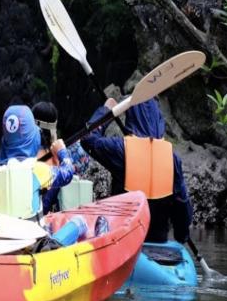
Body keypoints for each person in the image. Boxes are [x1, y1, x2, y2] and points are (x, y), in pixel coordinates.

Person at [80, 96, 192, 244]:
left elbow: (88, 138)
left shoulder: (121, 149)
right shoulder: (173, 159)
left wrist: (107, 111)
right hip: (158, 242)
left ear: (131, 118)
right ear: (159, 122)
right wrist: (182, 236)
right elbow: (182, 205)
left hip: (124, 241)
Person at [0, 104, 76, 219]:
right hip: (33, 232)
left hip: (5, 232)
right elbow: (68, 173)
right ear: (34, 137)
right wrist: (62, 151)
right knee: (78, 223)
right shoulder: (37, 170)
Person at [32, 101, 90, 214]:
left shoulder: (24, 151)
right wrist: (60, 153)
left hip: (31, 213)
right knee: (80, 151)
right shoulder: (55, 157)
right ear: (53, 127)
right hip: (42, 214)